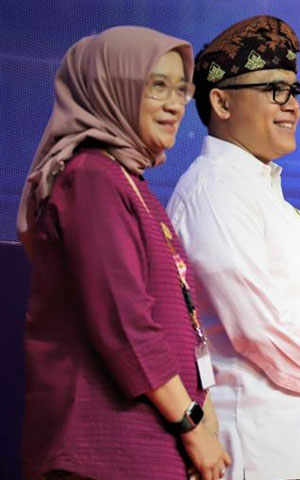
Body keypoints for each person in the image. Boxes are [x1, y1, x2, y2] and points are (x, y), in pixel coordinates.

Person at [167, 15, 300, 480]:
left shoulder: (259, 190)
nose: (292, 107)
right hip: (254, 450)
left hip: (295, 447)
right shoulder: (214, 190)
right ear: (221, 101)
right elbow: (256, 328)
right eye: (274, 90)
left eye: (294, 91)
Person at [17, 26, 230, 480]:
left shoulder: (131, 183)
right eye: (157, 86)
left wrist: (202, 408)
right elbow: (123, 322)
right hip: (101, 452)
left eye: (180, 89)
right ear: (112, 89)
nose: (175, 105)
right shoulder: (91, 177)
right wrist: (191, 422)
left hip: (147, 448)